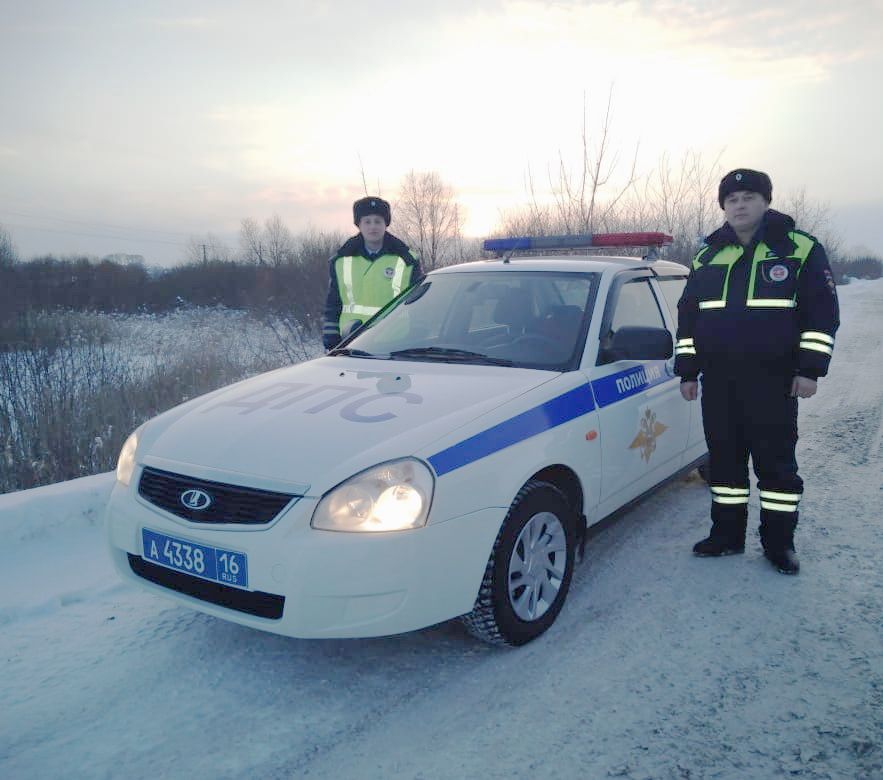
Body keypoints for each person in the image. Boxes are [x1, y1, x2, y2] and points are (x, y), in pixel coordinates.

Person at [674, 168, 839, 575]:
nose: (740, 205)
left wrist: (810, 369)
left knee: (776, 466)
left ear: (766, 201)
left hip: (774, 381)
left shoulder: (799, 249)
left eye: (748, 197)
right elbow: (688, 317)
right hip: (720, 382)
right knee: (726, 465)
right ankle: (726, 536)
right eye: (732, 199)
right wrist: (688, 371)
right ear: (723, 207)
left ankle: (779, 544)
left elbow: (822, 314)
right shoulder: (708, 254)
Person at [322, 196, 423, 351]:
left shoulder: (407, 260)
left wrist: (417, 337)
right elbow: (333, 303)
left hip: (396, 342)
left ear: (385, 224)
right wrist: (331, 335)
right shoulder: (341, 260)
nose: (372, 227)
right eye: (367, 221)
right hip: (351, 340)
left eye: (378, 221)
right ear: (359, 225)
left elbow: (418, 303)